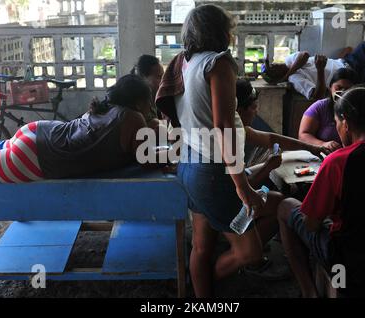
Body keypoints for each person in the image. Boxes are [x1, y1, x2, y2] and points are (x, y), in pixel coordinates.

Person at [175, 5, 284, 297]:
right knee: (248, 252)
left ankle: (201, 297)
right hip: (213, 171)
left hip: (188, 165)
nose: (233, 34)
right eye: (231, 29)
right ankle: (213, 284)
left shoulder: (187, 63)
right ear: (221, 31)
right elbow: (223, 125)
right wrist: (241, 185)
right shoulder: (219, 62)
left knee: (201, 246)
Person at [277, 85, 365, 298]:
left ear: (346, 123)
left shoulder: (339, 162)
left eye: (337, 122)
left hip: (354, 269)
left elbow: (311, 225)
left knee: (285, 206)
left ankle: (308, 291)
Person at [0, 74, 154, 182]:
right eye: (149, 102)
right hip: (35, 157)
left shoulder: (107, 107)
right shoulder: (133, 118)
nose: (151, 107)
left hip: (37, 133)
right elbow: (147, 159)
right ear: (138, 101)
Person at [236, 79, 329, 190]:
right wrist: (268, 167)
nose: (256, 112)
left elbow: (271, 139)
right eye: (254, 108)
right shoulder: (227, 138)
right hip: (230, 196)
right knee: (283, 200)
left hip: (237, 180)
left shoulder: (238, 129)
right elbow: (242, 189)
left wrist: (311, 148)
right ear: (240, 111)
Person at [262, 29, 365, 100]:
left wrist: (287, 73)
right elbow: (316, 96)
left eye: (273, 63)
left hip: (351, 60)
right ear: (276, 78)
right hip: (352, 79)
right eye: (272, 68)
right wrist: (320, 70)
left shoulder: (290, 61)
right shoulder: (296, 80)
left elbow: (304, 55)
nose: (275, 64)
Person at [298, 68, 357, 153]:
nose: (343, 92)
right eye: (339, 87)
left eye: (348, 89)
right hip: (324, 155)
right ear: (330, 88)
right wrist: (323, 144)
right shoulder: (319, 107)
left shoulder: (360, 108)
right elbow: (303, 135)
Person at [131, 55, 165, 124]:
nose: (163, 80)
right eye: (159, 76)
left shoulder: (156, 97)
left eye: (163, 76)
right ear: (143, 77)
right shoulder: (137, 103)